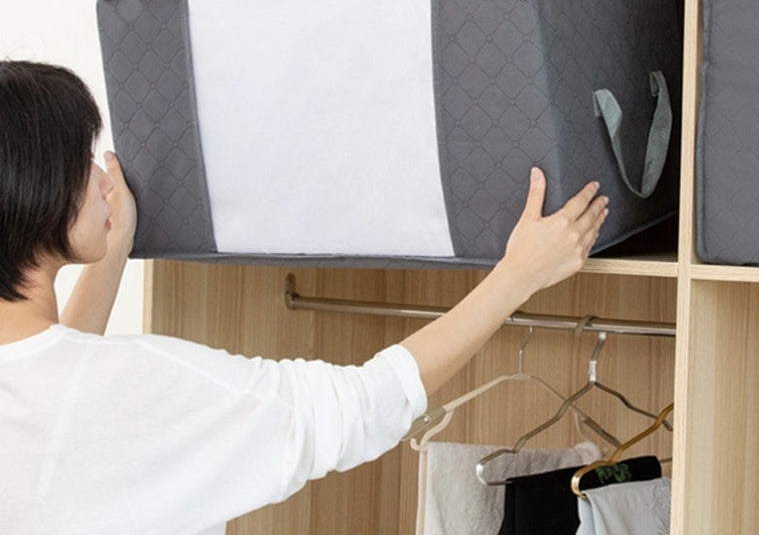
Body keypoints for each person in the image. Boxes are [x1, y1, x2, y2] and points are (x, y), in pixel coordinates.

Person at [0, 60, 608, 535]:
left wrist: (110, 254)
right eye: (82, 163)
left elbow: (62, 403)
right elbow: (359, 407)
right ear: (37, 191)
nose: (102, 179)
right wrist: (517, 276)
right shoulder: (136, 381)